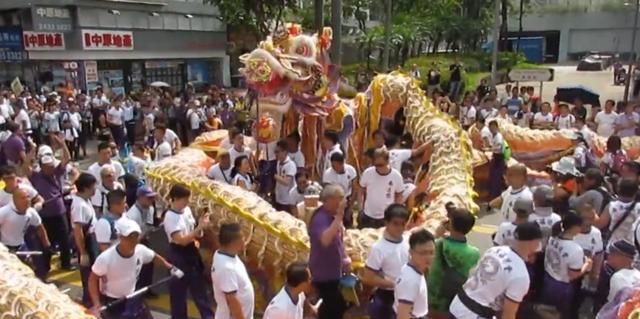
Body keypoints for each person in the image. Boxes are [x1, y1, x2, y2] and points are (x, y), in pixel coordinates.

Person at [89, 217, 182, 319]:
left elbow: (154, 257)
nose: (133, 241)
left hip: (132, 296)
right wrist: (97, 304)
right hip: (112, 301)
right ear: (120, 237)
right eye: (129, 237)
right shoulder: (106, 258)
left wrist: (171, 268)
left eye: (136, 236)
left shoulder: (140, 250)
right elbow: (93, 280)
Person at [449, 222, 542, 319]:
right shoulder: (521, 276)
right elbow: (508, 316)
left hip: (458, 303)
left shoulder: (495, 250)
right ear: (534, 242)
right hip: (473, 314)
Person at [163, 184, 214, 319]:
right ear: (175, 198)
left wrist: (201, 227)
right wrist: (199, 228)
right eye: (184, 199)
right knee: (178, 294)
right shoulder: (169, 217)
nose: (186, 202)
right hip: (178, 255)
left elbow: (194, 231)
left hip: (192, 253)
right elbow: (180, 240)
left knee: (200, 292)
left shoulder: (187, 211)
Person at [27, 134, 73, 271]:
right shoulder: (35, 176)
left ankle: (66, 263)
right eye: (47, 166)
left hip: (59, 211)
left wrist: (63, 144)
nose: (50, 168)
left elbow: (67, 159)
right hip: (45, 214)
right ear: (41, 166)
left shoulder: (57, 172)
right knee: (46, 242)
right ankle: (44, 267)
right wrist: (32, 150)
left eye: (51, 165)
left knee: (65, 239)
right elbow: (25, 165)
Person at [428, 205, 480, 319]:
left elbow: (427, 246)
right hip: (453, 301)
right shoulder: (474, 253)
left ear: (450, 224)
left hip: (433, 299)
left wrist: (439, 232)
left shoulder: (438, 244)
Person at [361, 204, 410, 319]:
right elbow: (369, 277)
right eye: (395, 223)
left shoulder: (408, 241)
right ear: (386, 223)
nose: (400, 228)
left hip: (407, 295)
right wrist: (394, 284)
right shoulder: (379, 248)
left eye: (403, 224)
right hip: (387, 297)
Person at [308, 184, 349, 319]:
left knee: (338, 305)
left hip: (334, 271)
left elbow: (338, 240)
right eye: (341, 198)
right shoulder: (320, 218)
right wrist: (339, 217)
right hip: (323, 272)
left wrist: (345, 258)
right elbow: (325, 240)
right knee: (334, 306)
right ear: (330, 200)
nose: (344, 201)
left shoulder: (333, 217)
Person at [542, 211, 592, 319]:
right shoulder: (575, 249)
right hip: (562, 286)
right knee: (560, 313)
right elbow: (573, 275)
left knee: (546, 310)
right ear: (575, 227)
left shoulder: (552, 238)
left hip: (548, 279)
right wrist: (586, 265)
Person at [0, 188, 51, 280]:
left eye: (28, 197)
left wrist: (46, 244)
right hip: (6, 248)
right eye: (23, 198)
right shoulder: (4, 212)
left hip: (21, 246)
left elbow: (39, 227)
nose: (27, 200)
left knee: (29, 270)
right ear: (15, 200)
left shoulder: (31, 212)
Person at [211, 223, 255, 319]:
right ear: (233, 243)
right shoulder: (226, 268)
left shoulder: (224, 254)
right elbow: (232, 300)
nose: (245, 241)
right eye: (242, 239)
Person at [71, 173, 99, 307]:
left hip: (93, 238)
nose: (95, 189)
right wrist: (83, 252)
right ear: (86, 188)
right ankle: (89, 301)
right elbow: (78, 230)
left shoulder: (85, 200)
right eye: (93, 187)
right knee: (88, 274)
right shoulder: (79, 205)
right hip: (87, 242)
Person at [394, 229, 435, 319]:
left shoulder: (412, 269)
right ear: (411, 252)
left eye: (431, 252)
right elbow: (402, 316)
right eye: (423, 253)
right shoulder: (410, 281)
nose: (428, 257)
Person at [359, 148, 404, 229]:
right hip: (368, 215)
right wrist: (360, 208)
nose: (379, 168)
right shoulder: (368, 173)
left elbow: (399, 195)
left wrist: (396, 213)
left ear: (387, 162)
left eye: (381, 165)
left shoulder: (396, 176)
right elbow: (361, 191)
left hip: (386, 217)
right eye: (376, 165)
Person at [594, 178, 640, 252]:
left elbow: (600, 224)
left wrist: (593, 214)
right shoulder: (638, 207)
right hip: (632, 250)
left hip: (614, 247)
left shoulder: (612, 206)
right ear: (635, 192)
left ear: (618, 190)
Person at [125, 185, 157, 291]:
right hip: (134, 242)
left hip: (144, 240)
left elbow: (149, 225)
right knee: (136, 268)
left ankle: (147, 289)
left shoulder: (150, 209)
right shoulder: (132, 214)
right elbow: (131, 236)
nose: (151, 200)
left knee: (148, 265)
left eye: (152, 197)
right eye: (149, 198)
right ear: (140, 198)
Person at [593, 240, 639, 312]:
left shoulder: (618, 277)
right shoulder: (637, 273)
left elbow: (613, 306)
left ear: (626, 258)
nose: (609, 256)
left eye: (614, 253)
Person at [274, 140, 297, 213]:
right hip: (278, 198)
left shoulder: (291, 165)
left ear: (285, 152)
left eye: (278, 152)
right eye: (275, 152)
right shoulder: (278, 162)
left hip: (287, 201)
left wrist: (274, 176)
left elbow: (286, 181)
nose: (276, 154)